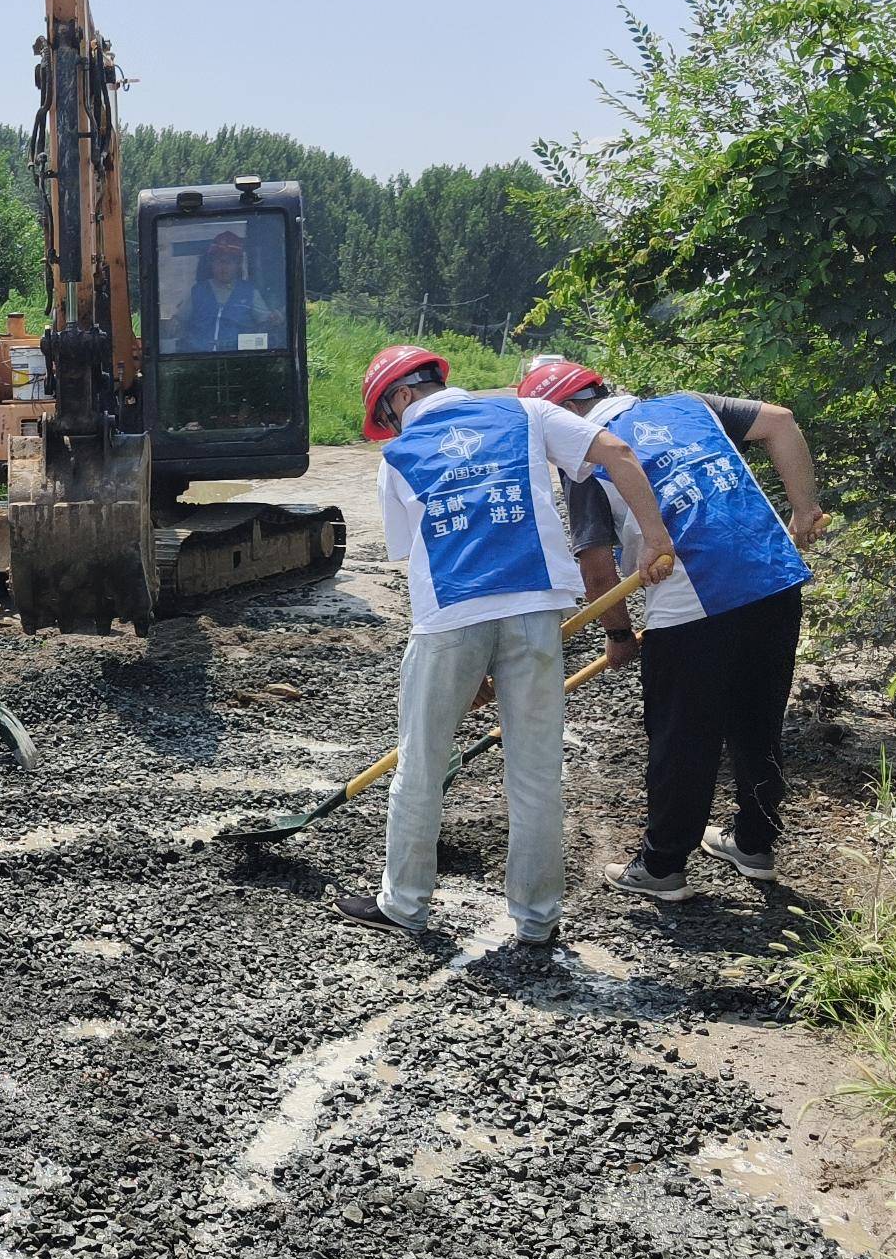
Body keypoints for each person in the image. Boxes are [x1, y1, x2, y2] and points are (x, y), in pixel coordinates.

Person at [332, 345, 676, 946]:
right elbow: (617, 451)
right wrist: (653, 537)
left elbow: (417, 556)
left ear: (401, 398)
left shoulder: (397, 458)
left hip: (449, 620)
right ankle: (538, 920)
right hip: (535, 612)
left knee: (420, 765)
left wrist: (471, 670)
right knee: (537, 773)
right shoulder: (526, 415)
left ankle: (405, 903)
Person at [515, 356, 828, 900]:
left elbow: (596, 564)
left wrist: (618, 636)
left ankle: (662, 867)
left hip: (694, 598)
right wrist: (804, 512)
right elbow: (780, 420)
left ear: (562, 412)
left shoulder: (587, 453)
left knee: (682, 734)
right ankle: (755, 843)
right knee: (758, 716)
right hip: (774, 574)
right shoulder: (689, 406)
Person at [171, 230, 281, 353]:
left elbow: (265, 323)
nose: (223, 266)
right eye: (218, 260)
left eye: (229, 261)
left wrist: (274, 321)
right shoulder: (197, 291)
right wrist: (174, 326)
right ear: (211, 263)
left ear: (238, 264)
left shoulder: (250, 292)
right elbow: (178, 323)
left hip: (239, 360)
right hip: (198, 358)